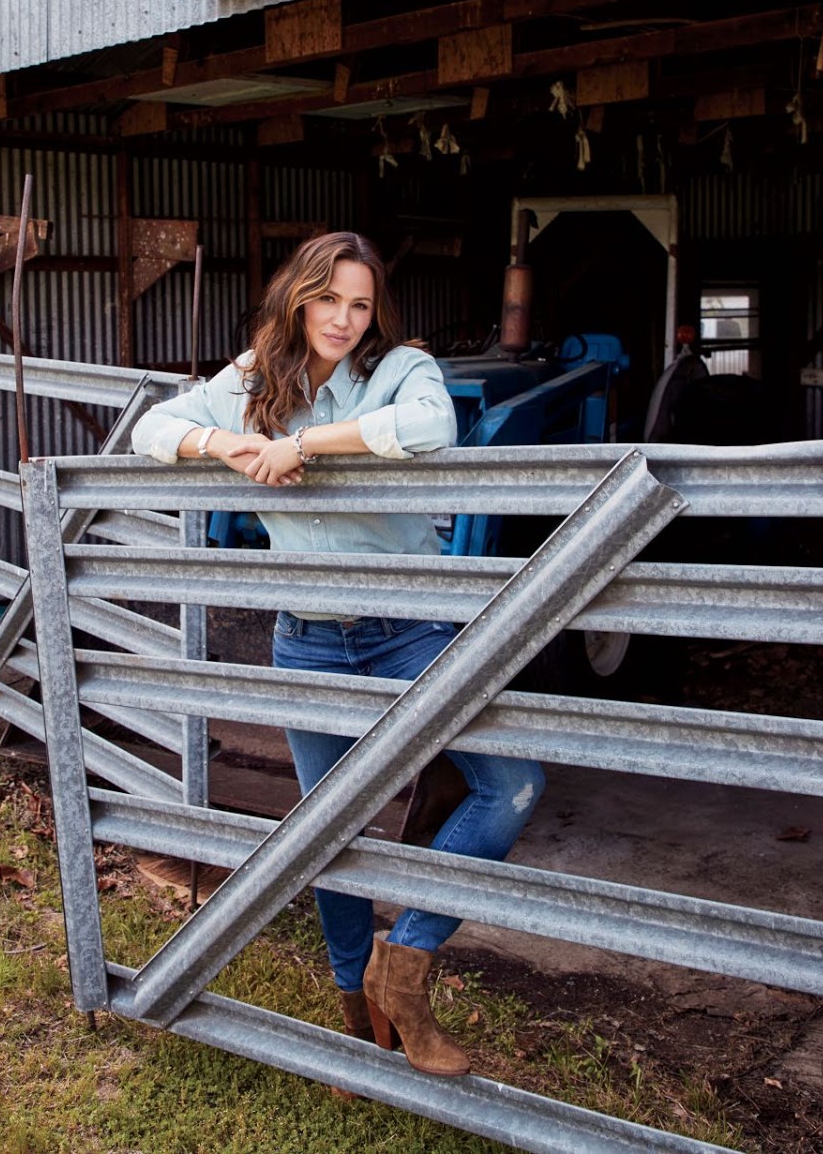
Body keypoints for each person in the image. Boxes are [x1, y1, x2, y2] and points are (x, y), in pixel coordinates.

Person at [131, 231, 545, 1076]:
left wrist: (303, 446)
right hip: (309, 641)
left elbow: (434, 427)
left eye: (360, 304)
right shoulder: (253, 379)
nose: (345, 320)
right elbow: (152, 426)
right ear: (299, 297)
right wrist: (228, 445)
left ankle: (408, 961)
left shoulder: (400, 369)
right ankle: (361, 1021)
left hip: (413, 631)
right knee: (330, 831)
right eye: (329, 301)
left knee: (511, 784)